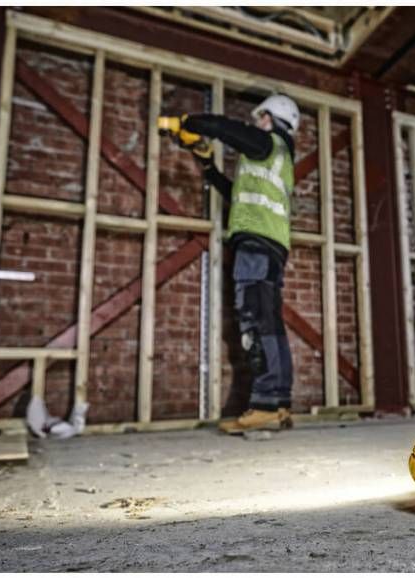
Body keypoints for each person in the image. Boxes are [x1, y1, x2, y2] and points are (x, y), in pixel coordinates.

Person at [160, 94, 299, 433]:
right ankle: (279, 402)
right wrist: (208, 165)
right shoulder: (276, 157)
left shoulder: (269, 144)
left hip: (256, 244)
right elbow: (235, 194)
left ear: (273, 119)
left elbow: (227, 129)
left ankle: (265, 405)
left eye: (262, 117)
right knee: (270, 324)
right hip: (270, 246)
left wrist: (188, 123)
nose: (257, 122)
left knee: (255, 322)